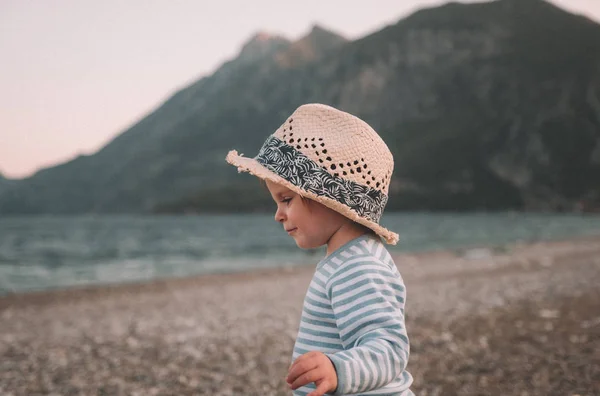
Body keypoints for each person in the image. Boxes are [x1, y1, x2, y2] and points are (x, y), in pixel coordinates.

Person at [226, 103, 413, 396]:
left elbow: (390, 349)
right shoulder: (348, 257)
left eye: (286, 199)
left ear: (326, 200)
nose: (278, 214)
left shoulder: (359, 265)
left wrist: (337, 369)